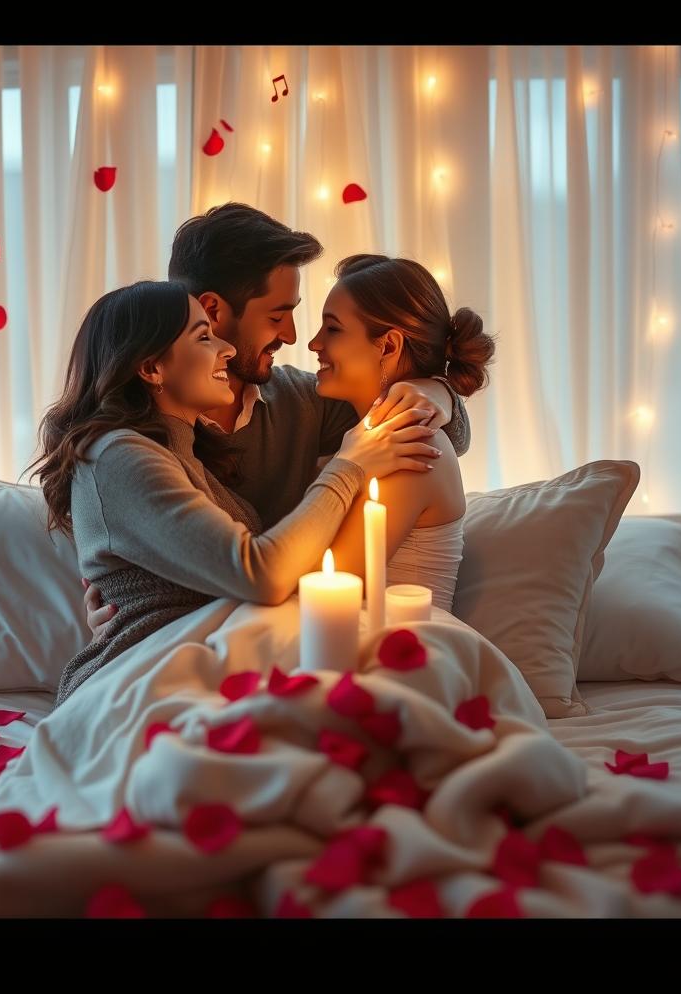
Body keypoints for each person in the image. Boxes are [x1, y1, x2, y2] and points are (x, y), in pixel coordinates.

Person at [28, 281, 443, 708]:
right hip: (139, 682)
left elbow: (425, 409)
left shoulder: (183, 451)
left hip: (190, 669)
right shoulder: (117, 455)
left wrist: (436, 393)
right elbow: (260, 574)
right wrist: (349, 467)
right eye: (204, 336)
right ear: (152, 368)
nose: (225, 350)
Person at [82, 203, 473, 642]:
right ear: (212, 310)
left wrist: (433, 391)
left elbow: (439, 434)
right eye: (276, 315)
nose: (293, 336)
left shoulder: (303, 399)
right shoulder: (134, 445)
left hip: (264, 635)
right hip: (212, 639)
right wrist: (135, 610)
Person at [307, 254, 495, 609]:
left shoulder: (408, 443)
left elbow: (329, 591)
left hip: (394, 648)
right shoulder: (368, 430)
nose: (314, 343)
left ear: (389, 346)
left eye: (332, 329)